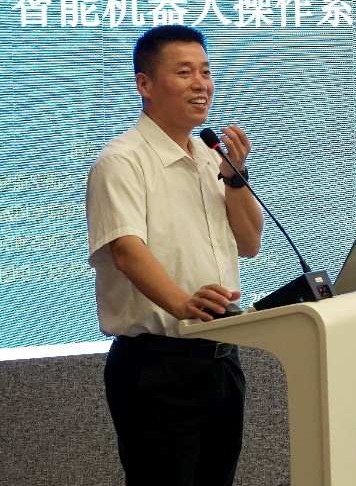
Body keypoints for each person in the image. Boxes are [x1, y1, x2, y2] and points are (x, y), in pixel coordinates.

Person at [86, 24, 263, 486]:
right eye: (184, 72)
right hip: (157, 367)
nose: (201, 84)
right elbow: (126, 250)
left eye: (206, 71)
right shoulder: (122, 161)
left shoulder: (209, 156)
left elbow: (249, 243)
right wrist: (183, 304)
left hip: (221, 362)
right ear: (144, 84)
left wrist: (236, 177)